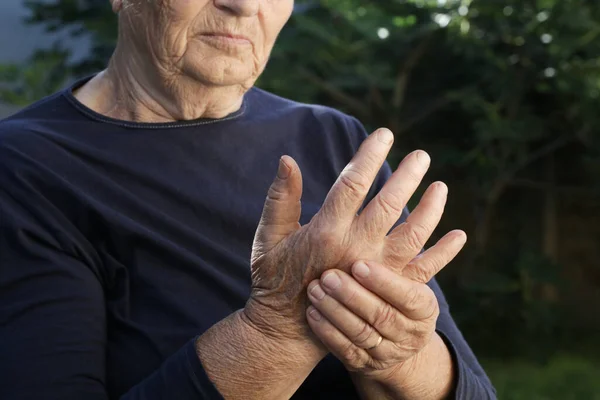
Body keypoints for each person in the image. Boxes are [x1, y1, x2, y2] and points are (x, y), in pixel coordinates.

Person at [0, 0, 496, 399]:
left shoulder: (333, 138)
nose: (241, 5)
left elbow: (471, 390)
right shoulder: (24, 166)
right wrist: (272, 332)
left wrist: (401, 354)